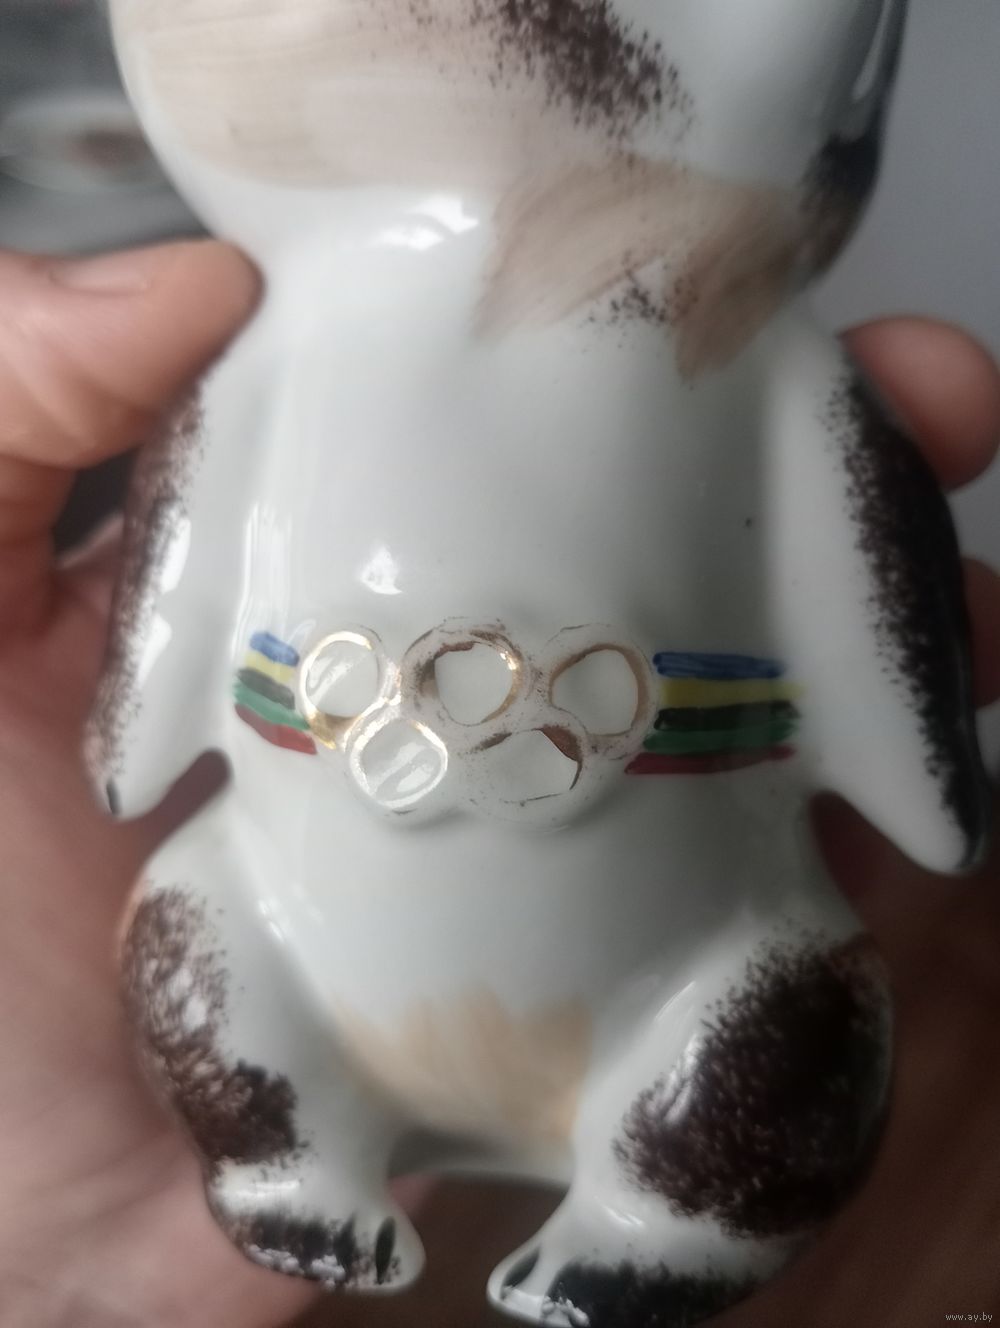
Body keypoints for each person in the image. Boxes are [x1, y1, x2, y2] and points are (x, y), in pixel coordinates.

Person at [0, 240, 996, 1328]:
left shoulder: (773, 363)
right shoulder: (277, 353)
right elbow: (183, 569)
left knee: (781, 1017)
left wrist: (916, 760)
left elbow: (871, 560)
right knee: (202, 930)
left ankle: (678, 1215)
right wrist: (135, 725)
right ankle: (279, 1157)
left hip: (690, 960)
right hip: (295, 916)